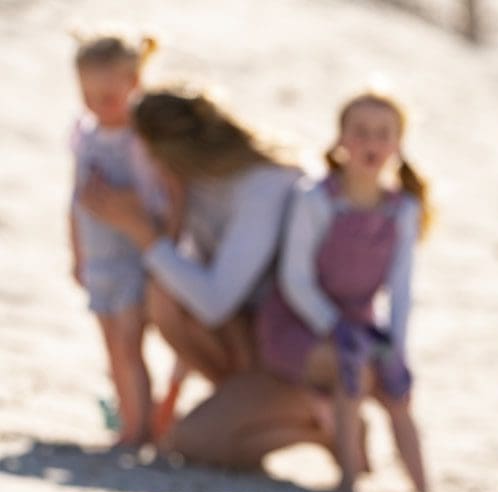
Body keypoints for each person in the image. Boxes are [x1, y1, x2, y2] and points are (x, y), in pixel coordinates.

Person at [80, 87, 329, 470]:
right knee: (165, 294)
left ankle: (324, 426)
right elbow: (186, 291)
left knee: (191, 443)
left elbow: (215, 301)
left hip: (295, 357)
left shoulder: (264, 184)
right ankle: (243, 412)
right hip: (253, 339)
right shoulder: (195, 186)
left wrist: (145, 235)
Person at [256, 91, 430, 492]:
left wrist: (397, 347)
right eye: (361, 132)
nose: (371, 142)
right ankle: (349, 482)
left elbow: (401, 289)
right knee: (351, 370)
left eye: (383, 134)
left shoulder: (402, 210)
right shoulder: (315, 199)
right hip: (301, 321)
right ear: (341, 140)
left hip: (363, 322)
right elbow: (295, 278)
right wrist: (333, 326)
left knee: (397, 389)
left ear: (398, 144)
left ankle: (423, 490)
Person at [69, 32, 175, 447]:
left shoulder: (141, 140)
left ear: (134, 83)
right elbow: (74, 200)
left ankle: (140, 428)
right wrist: (77, 254)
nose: (98, 105)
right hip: (98, 259)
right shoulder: (84, 135)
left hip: (133, 258)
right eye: (88, 95)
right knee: (112, 344)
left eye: (108, 96)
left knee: (130, 342)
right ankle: (127, 416)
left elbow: (159, 200)